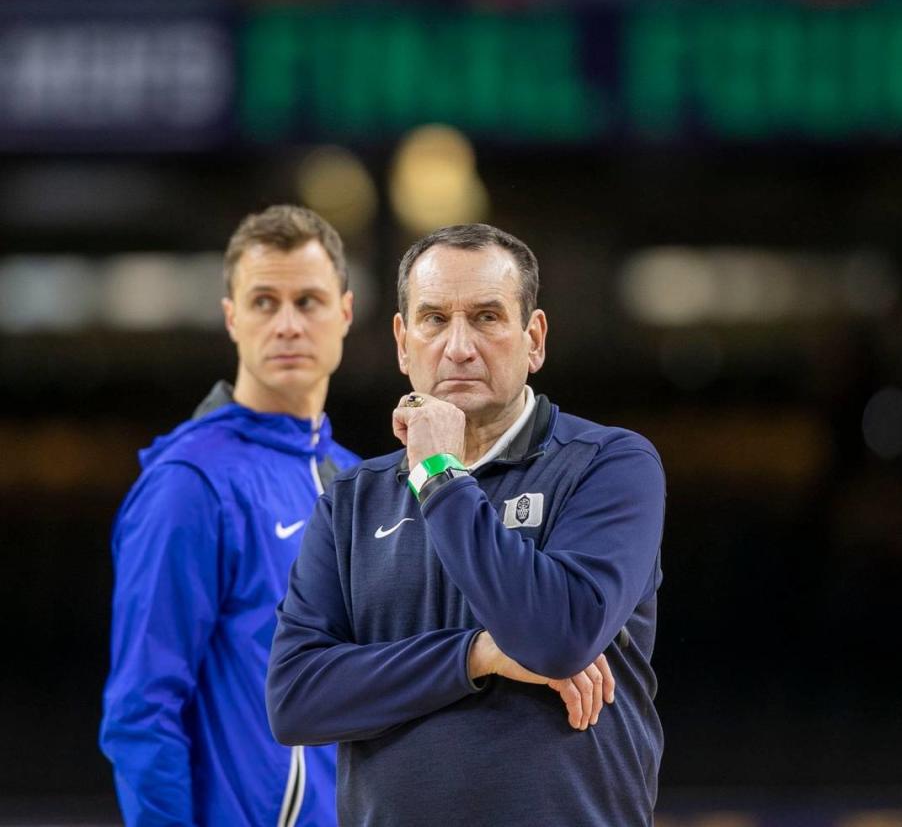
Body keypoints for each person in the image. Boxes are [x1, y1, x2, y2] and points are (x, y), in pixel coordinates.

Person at [267, 223, 666, 826]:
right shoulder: (350, 499)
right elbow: (295, 699)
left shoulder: (610, 465)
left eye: (486, 317)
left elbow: (558, 638)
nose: (458, 347)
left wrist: (438, 474)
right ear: (403, 343)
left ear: (533, 339)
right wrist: (477, 655)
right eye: (433, 319)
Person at [100, 205, 359, 826]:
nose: (288, 325)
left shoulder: (359, 482)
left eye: (309, 301)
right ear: (231, 319)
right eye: (265, 302)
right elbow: (141, 711)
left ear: (345, 313)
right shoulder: (190, 485)